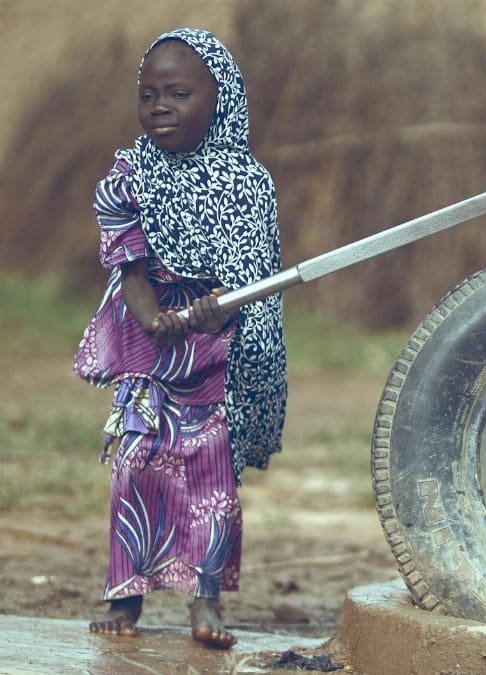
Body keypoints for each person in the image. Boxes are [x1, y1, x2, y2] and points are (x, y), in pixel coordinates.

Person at [73, 28, 287, 649]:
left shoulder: (247, 182)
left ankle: (206, 602)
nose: (158, 106)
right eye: (148, 94)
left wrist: (212, 313)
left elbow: (252, 277)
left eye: (178, 93)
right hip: (148, 350)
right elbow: (130, 265)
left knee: (209, 475)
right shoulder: (129, 173)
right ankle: (125, 596)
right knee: (136, 466)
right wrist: (152, 317)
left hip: (218, 356)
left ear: (219, 101)